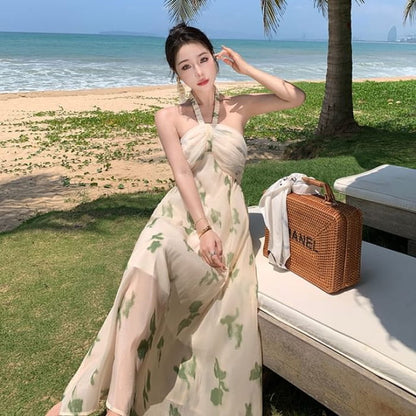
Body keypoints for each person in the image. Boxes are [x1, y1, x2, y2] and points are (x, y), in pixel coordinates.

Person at [46, 23, 305, 416]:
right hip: (180, 218)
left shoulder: (240, 107)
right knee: (150, 254)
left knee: (146, 275)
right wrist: (202, 228)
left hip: (228, 226)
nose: (198, 71)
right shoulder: (168, 116)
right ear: (176, 73)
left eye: (203, 60)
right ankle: (118, 406)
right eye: (186, 66)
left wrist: (246, 67)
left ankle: (112, 399)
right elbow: (182, 173)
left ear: (214, 59)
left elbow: (295, 98)